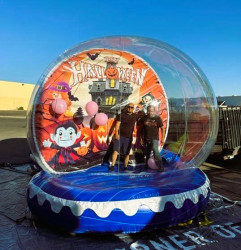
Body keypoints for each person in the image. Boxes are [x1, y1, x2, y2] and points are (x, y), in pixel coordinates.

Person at [110, 103, 138, 171]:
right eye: (129, 107)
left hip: (129, 138)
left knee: (127, 153)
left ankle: (125, 167)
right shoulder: (121, 115)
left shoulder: (135, 116)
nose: (130, 108)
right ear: (126, 107)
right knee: (115, 151)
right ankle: (112, 165)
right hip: (120, 136)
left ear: (133, 109)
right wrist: (116, 133)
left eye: (132, 107)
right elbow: (117, 124)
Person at [140, 105, 165, 172]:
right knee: (147, 152)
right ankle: (147, 165)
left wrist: (163, 138)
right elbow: (141, 129)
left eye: (152, 111)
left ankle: (160, 166)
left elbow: (162, 128)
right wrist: (141, 138)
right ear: (147, 111)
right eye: (149, 111)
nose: (150, 112)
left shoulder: (157, 118)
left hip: (154, 138)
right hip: (146, 138)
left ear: (154, 111)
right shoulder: (144, 118)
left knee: (155, 151)